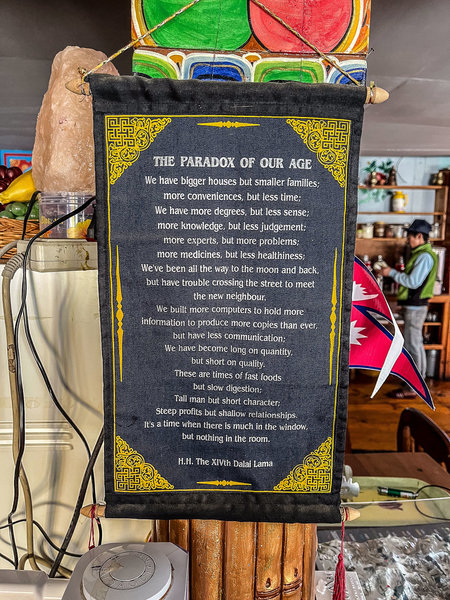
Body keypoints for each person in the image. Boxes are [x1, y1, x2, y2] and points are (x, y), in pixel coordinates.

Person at [379, 219, 438, 399]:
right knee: (416, 344)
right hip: (414, 305)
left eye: (410, 236)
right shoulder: (421, 254)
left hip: (415, 307)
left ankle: (413, 388)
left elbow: (412, 282)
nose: (408, 240)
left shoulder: (424, 256)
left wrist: (390, 272)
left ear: (419, 236)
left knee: (413, 346)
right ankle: (419, 381)